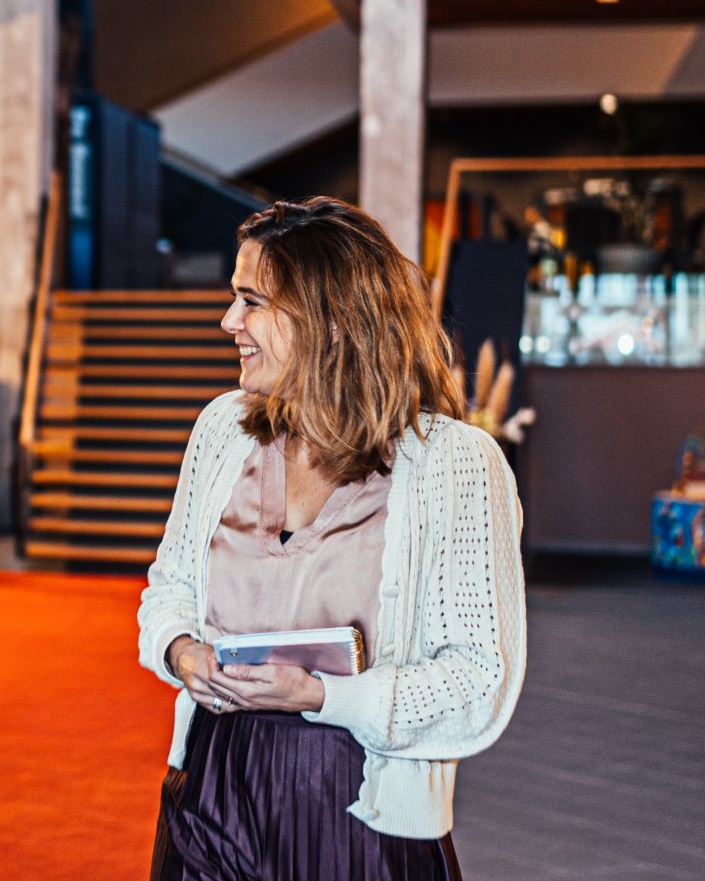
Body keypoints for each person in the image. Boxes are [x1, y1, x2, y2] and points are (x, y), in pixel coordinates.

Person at [137, 197, 527, 880]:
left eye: (252, 302)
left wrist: (324, 697)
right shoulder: (223, 430)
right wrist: (180, 650)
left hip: (359, 812)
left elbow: (477, 683)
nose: (229, 322)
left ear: (332, 320)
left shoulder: (455, 463)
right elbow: (169, 587)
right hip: (213, 787)